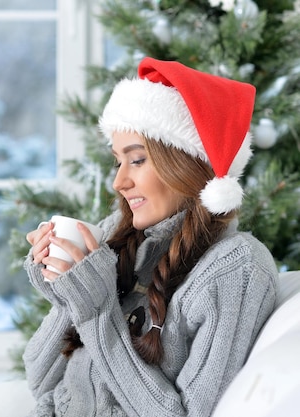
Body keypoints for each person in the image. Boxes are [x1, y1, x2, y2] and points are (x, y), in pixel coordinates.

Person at [23, 57, 279, 416]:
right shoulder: (120, 234)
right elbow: (41, 382)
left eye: (138, 160)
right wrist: (65, 293)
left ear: (187, 163)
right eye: (118, 161)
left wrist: (97, 311)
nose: (119, 182)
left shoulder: (236, 269)